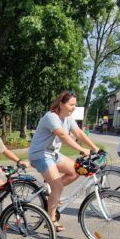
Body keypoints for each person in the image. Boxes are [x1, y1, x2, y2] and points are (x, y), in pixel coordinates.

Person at [27, 91, 101, 231]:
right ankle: (51, 220)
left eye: (75, 105)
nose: (74, 107)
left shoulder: (68, 118)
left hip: (53, 154)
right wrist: (81, 149)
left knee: (77, 170)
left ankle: (52, 193)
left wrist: (95, 148)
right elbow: (62, 135)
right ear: (61, 104)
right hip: (40, 154)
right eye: (71, 104)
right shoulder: (51, 117)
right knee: (58, 187)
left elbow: (79, 133)